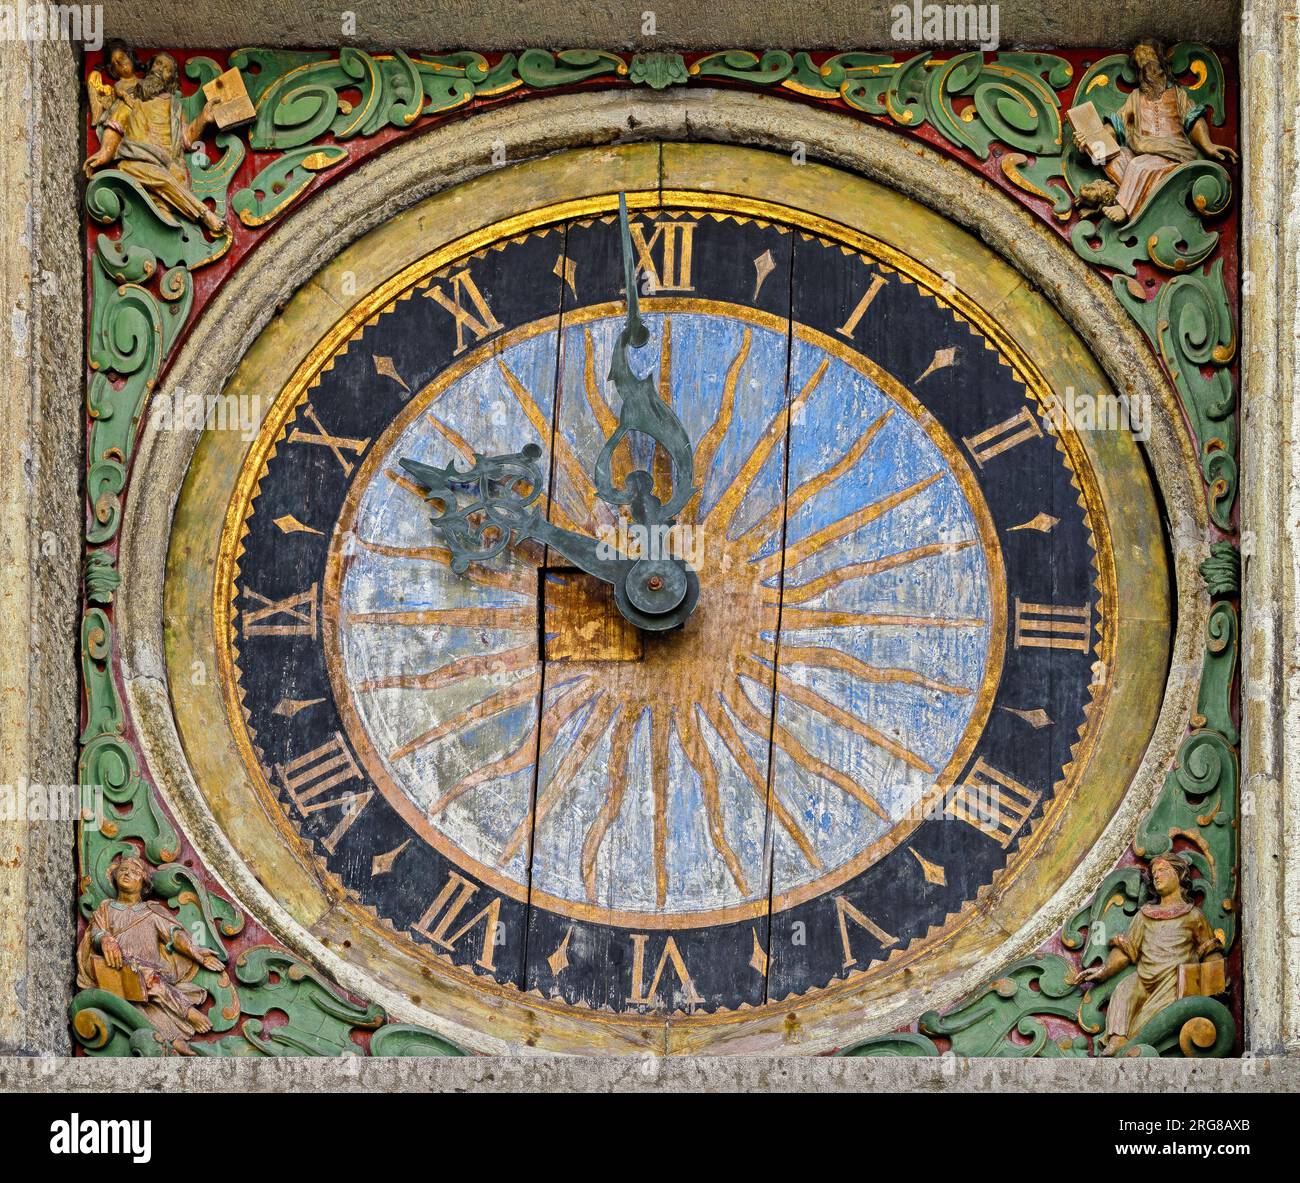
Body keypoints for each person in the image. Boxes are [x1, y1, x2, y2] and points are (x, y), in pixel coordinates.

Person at [1069, 852, 1224, 1055]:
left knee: (1148, 1021)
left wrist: (1215, 984)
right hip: (1145, 977)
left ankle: (1135, 1043)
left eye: (1163, 870)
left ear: (1179, 875)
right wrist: (1103, 971)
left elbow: (1209, 951)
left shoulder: (1193, 916)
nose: (1157, 876)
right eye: (1154, 873)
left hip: (1174, 980)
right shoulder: (1144, 915)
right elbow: (1127, 950)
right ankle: (1117, 1038)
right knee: (1124, 989)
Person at [1073, 39, 1237, 223]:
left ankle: (1125, 207)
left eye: (1150, 60)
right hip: (1143, 151)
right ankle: (1142, 194)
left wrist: (1208, 145)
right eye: (1142, 64)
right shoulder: (1135, 98)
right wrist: (1090, 141)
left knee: (1138, 166)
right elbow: (1115, 127)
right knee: (1112, 158)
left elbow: (1193, 120)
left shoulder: (1178, 94)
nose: (1147, 69)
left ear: (1162, 66)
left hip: (1173, 154)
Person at [76, 855, 224, 1054]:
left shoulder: (151, 911)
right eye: (123, 870)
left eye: (135, 872)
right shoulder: (106, 907)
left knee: (145, 993)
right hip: (115, 970)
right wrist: (105, 939)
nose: (128, 874)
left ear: (144, 882)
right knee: (141, 981)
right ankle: (187, 1013)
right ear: (115, 876)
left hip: (148, 975)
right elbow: (95, 931)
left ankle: (171, 1040)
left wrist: (195, 952)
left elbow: (175, 934)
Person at [82, 51, 227, 236]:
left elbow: (186, 139)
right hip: (136, 161)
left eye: (167, 69)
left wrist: (203, 119)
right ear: (150, 67)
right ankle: (205, 215)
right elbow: (115, 125)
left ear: (171, 79)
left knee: (168, 204)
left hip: (169, 166)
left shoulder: (175, 106)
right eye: (158, 64)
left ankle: (167, 225)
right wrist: (105, 153)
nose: (160, 70)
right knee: (163, 179)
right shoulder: (132, 96)